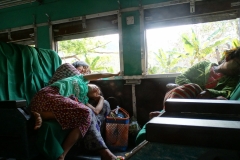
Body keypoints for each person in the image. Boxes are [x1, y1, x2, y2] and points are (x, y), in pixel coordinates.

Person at [136, 47, 240, 145]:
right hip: (184, 95)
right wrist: (194, 89)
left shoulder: (232, 79)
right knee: (189, 89)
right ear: (228, 58)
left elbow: (226, 92)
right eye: (238, 64)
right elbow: (182, 77)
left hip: (204, 102)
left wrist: (209, 92)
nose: (238, 69)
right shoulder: (203, 65)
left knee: (213, 98)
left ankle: (165, 115)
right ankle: (168, 115)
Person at [30, 63, 120, 160]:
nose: (96, 89)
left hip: (55, 102)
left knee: (85, 118)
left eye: (97, 92)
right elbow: (100, 75)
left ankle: (62, 155)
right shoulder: (80, 78)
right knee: (86, 113)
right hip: (49, 94)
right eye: (96, 87)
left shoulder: (82, 99)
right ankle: (43, 115)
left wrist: (101, 98)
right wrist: (114, 74)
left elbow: (95, 111)